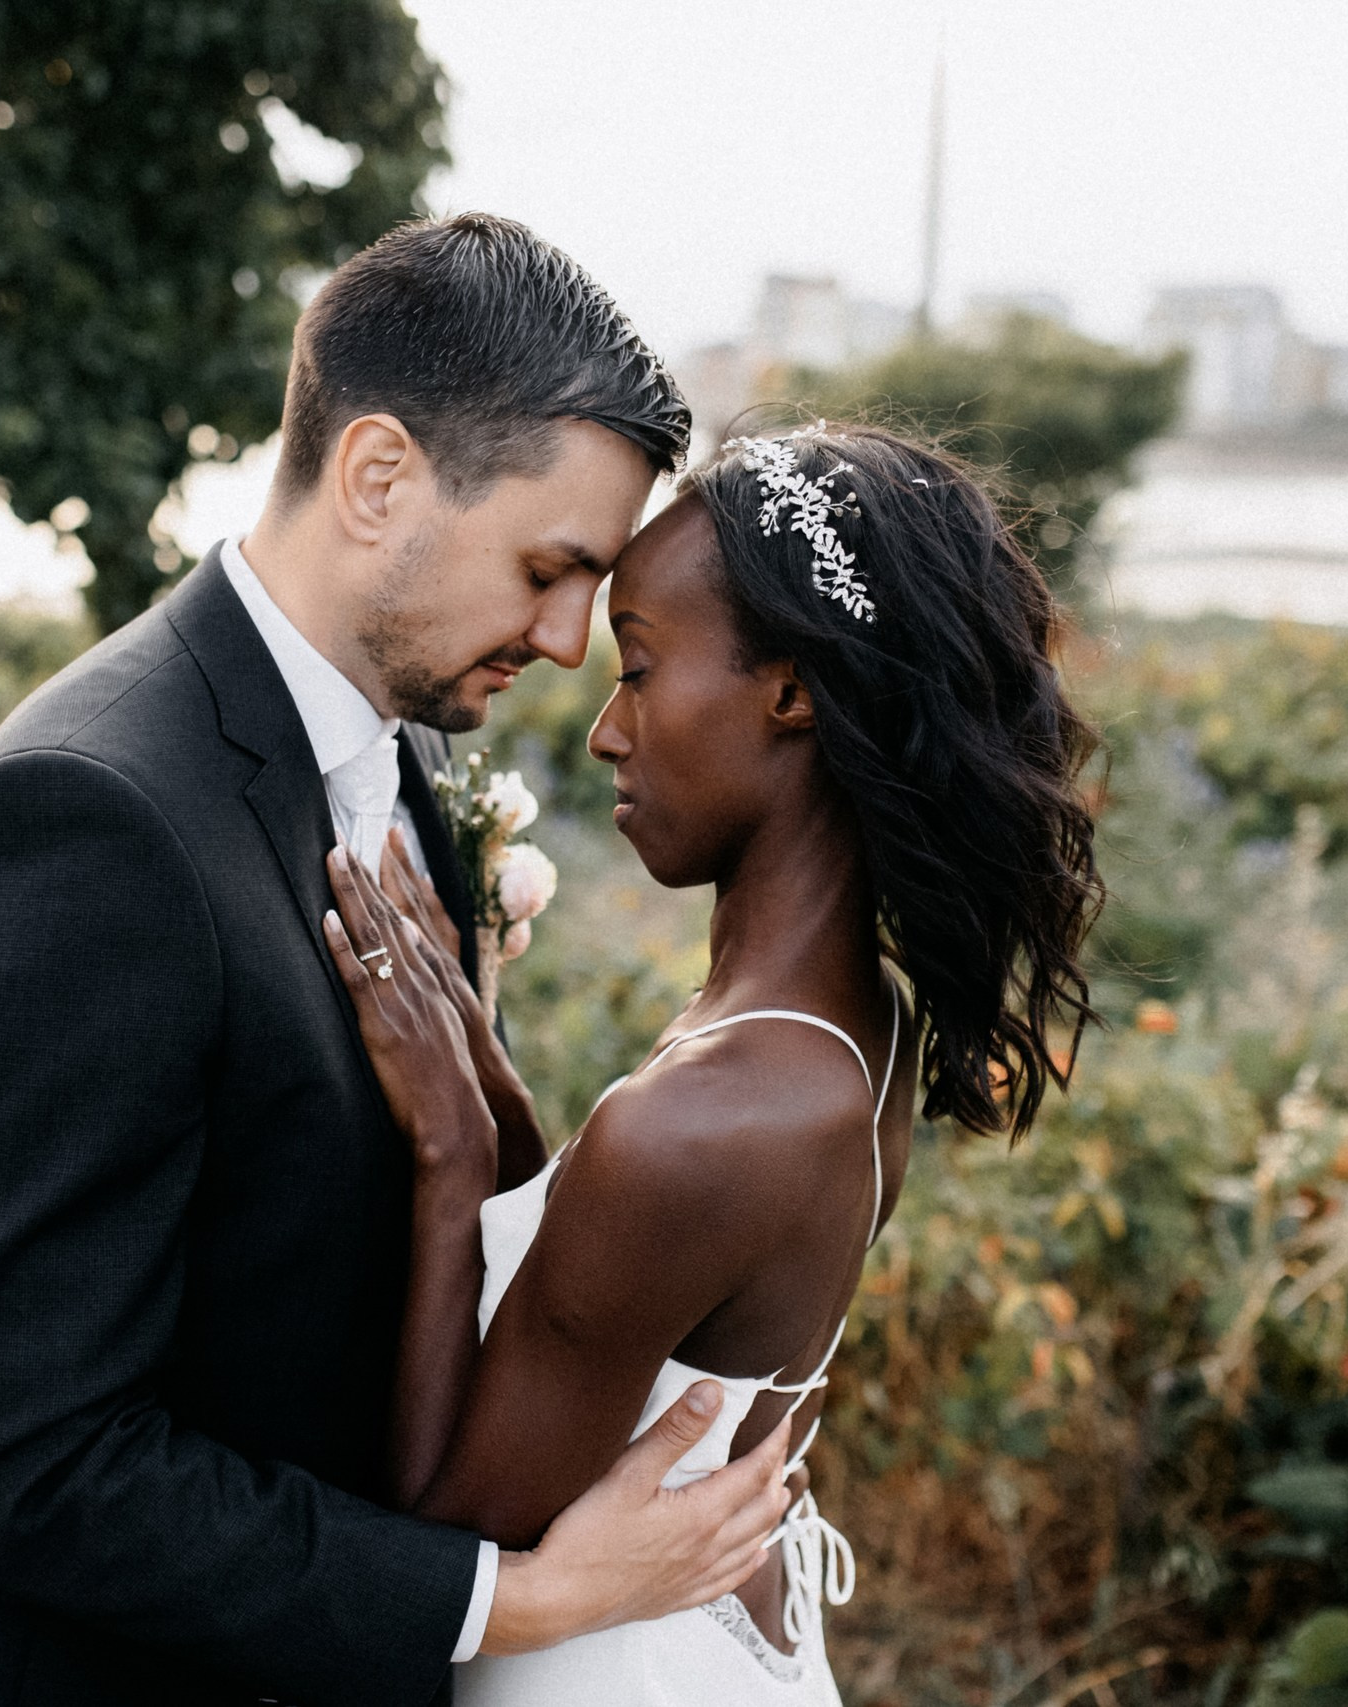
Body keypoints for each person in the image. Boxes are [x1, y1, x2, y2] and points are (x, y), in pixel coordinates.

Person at [0, 213, 796, 1707]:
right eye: (549, 567)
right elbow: (33, 1471)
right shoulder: (83, 826)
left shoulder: (396, 745)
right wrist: (520, 1599)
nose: (571, 641)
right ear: (378, 478)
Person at [320, 422, 1104, 1702]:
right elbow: (622, 1294)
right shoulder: (850, 1024)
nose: (605, 732)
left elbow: (445, 1534)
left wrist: (453, 1152)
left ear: (792, 693)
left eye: (638, 668)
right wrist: (495, 1091)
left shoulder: (712, 1120)